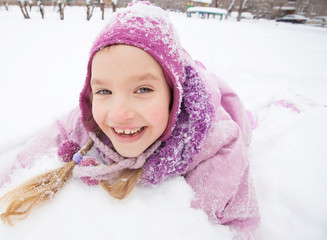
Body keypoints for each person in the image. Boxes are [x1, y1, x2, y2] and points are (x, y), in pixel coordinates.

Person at [0, 1, 259, 239]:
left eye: (143, 89)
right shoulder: (86, 119)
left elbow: (237, 224)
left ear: (174, 94)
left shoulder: (216, 142)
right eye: (104, 91)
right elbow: (26, 159)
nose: (118, 114)